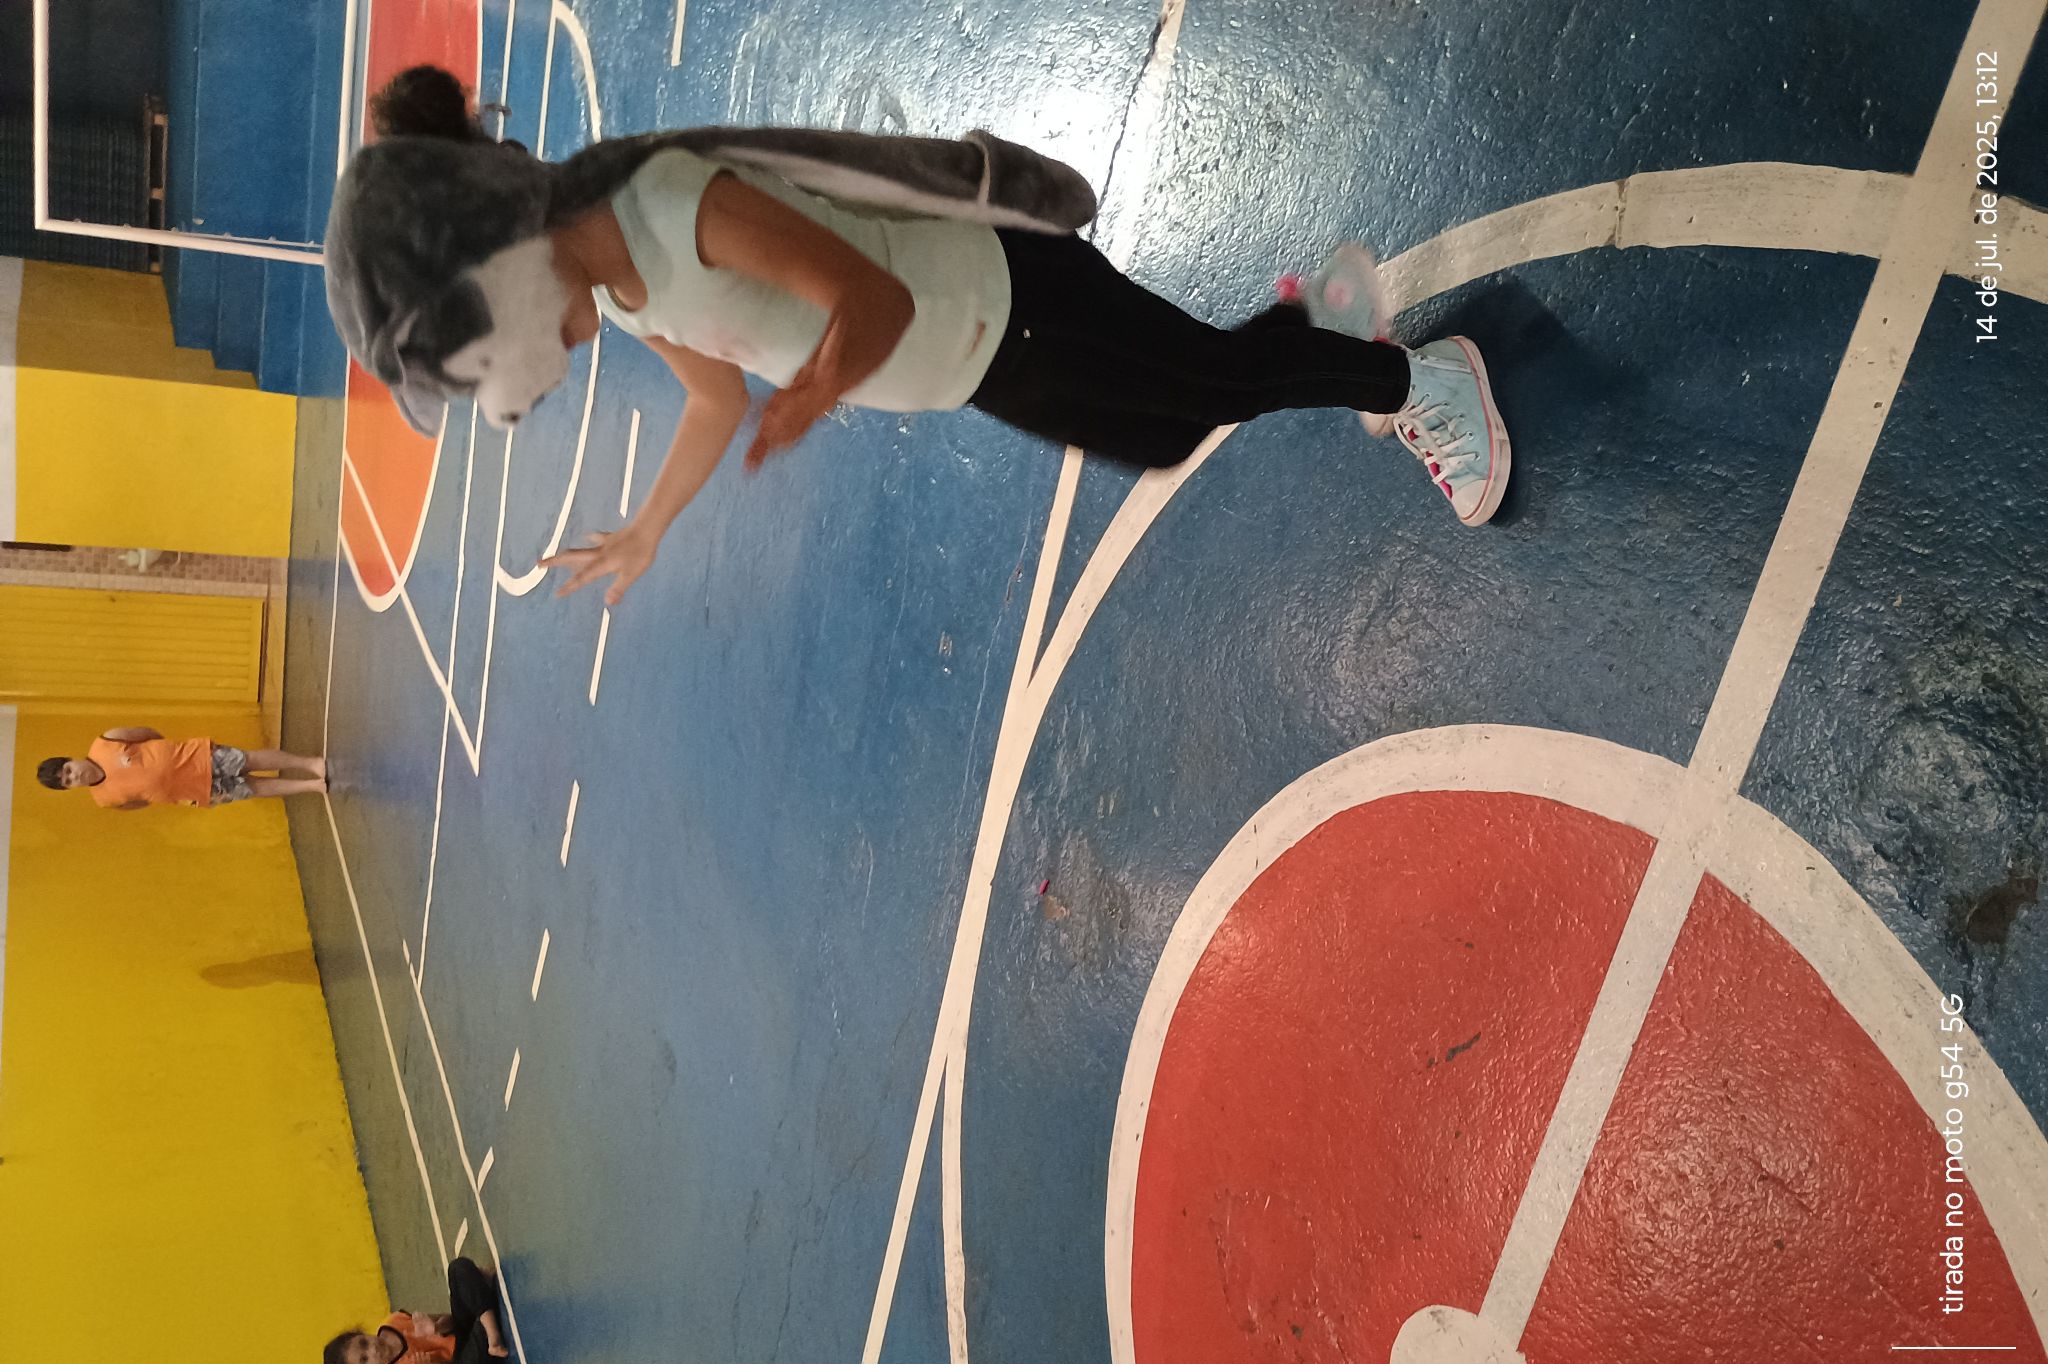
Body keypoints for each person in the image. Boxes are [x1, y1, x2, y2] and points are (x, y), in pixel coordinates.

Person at [334, 67, 1510, 609]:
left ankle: (1415, 380)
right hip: (975, 368)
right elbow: (710, 396)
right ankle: (1309, 326)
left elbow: (874, 305)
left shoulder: (669, 207)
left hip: (1009, 300)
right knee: (1162, 435)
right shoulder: (621, 289)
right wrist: (648, 527)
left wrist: (809, 395)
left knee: (1209, 388)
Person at [322, 1258, 512, 1364]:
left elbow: (453, 1321)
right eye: (365, 1359)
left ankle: (490, 1330)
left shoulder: (393, 1322)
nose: (372, 1350)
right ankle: (485, 1310)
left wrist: (437, 1327)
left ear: (362, 1333)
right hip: (464, 1362)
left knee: (457, 1268)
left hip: (464, 1334)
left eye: (364, 1343)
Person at [34, 727, 325, 809]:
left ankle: (309, 764)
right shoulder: (104, 800)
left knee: (252, 761)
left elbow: (146, 733)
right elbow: (137, 802)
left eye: (68, 770)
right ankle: (310, 786)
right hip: (197, 792)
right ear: (70, 788)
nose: (74, 776)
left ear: (70, 759)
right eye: (68, 781)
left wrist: (167, 755)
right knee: (254, 788)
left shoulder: (105, 741)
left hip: (195, 757)